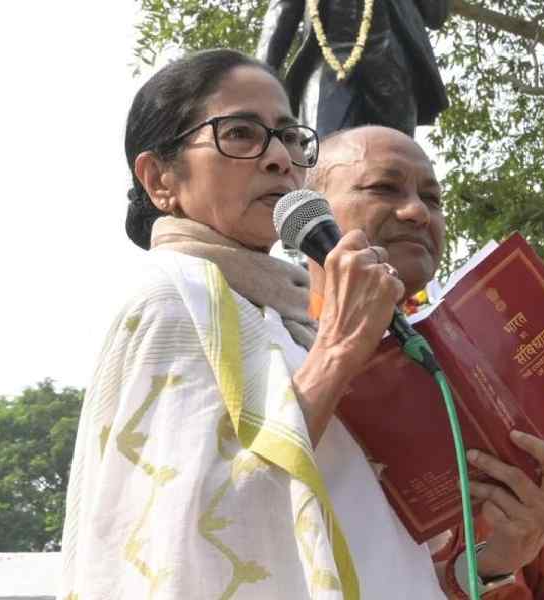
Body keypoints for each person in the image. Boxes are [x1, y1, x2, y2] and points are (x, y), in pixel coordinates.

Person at [58, 48, 450, 600]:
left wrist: (498, 557)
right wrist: (338, 351)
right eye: (240, 134)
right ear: (160, 178)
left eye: (289, 137)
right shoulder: (170, 300)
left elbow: (350, 531)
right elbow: (185, 538)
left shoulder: (286, 317)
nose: (279, 159)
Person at [303, 125, 544, 599]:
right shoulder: (272, 350)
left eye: (432, 199)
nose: (417, 212)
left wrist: (499, 560)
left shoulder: (495, 380)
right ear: (309, 214)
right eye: (383, 188)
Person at [255, 0, 450, 137]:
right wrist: (257, 79)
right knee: (321, 154)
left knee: (395, 161)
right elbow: (282, 10)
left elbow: (436, 15)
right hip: (326, 59)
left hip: (392, 62)